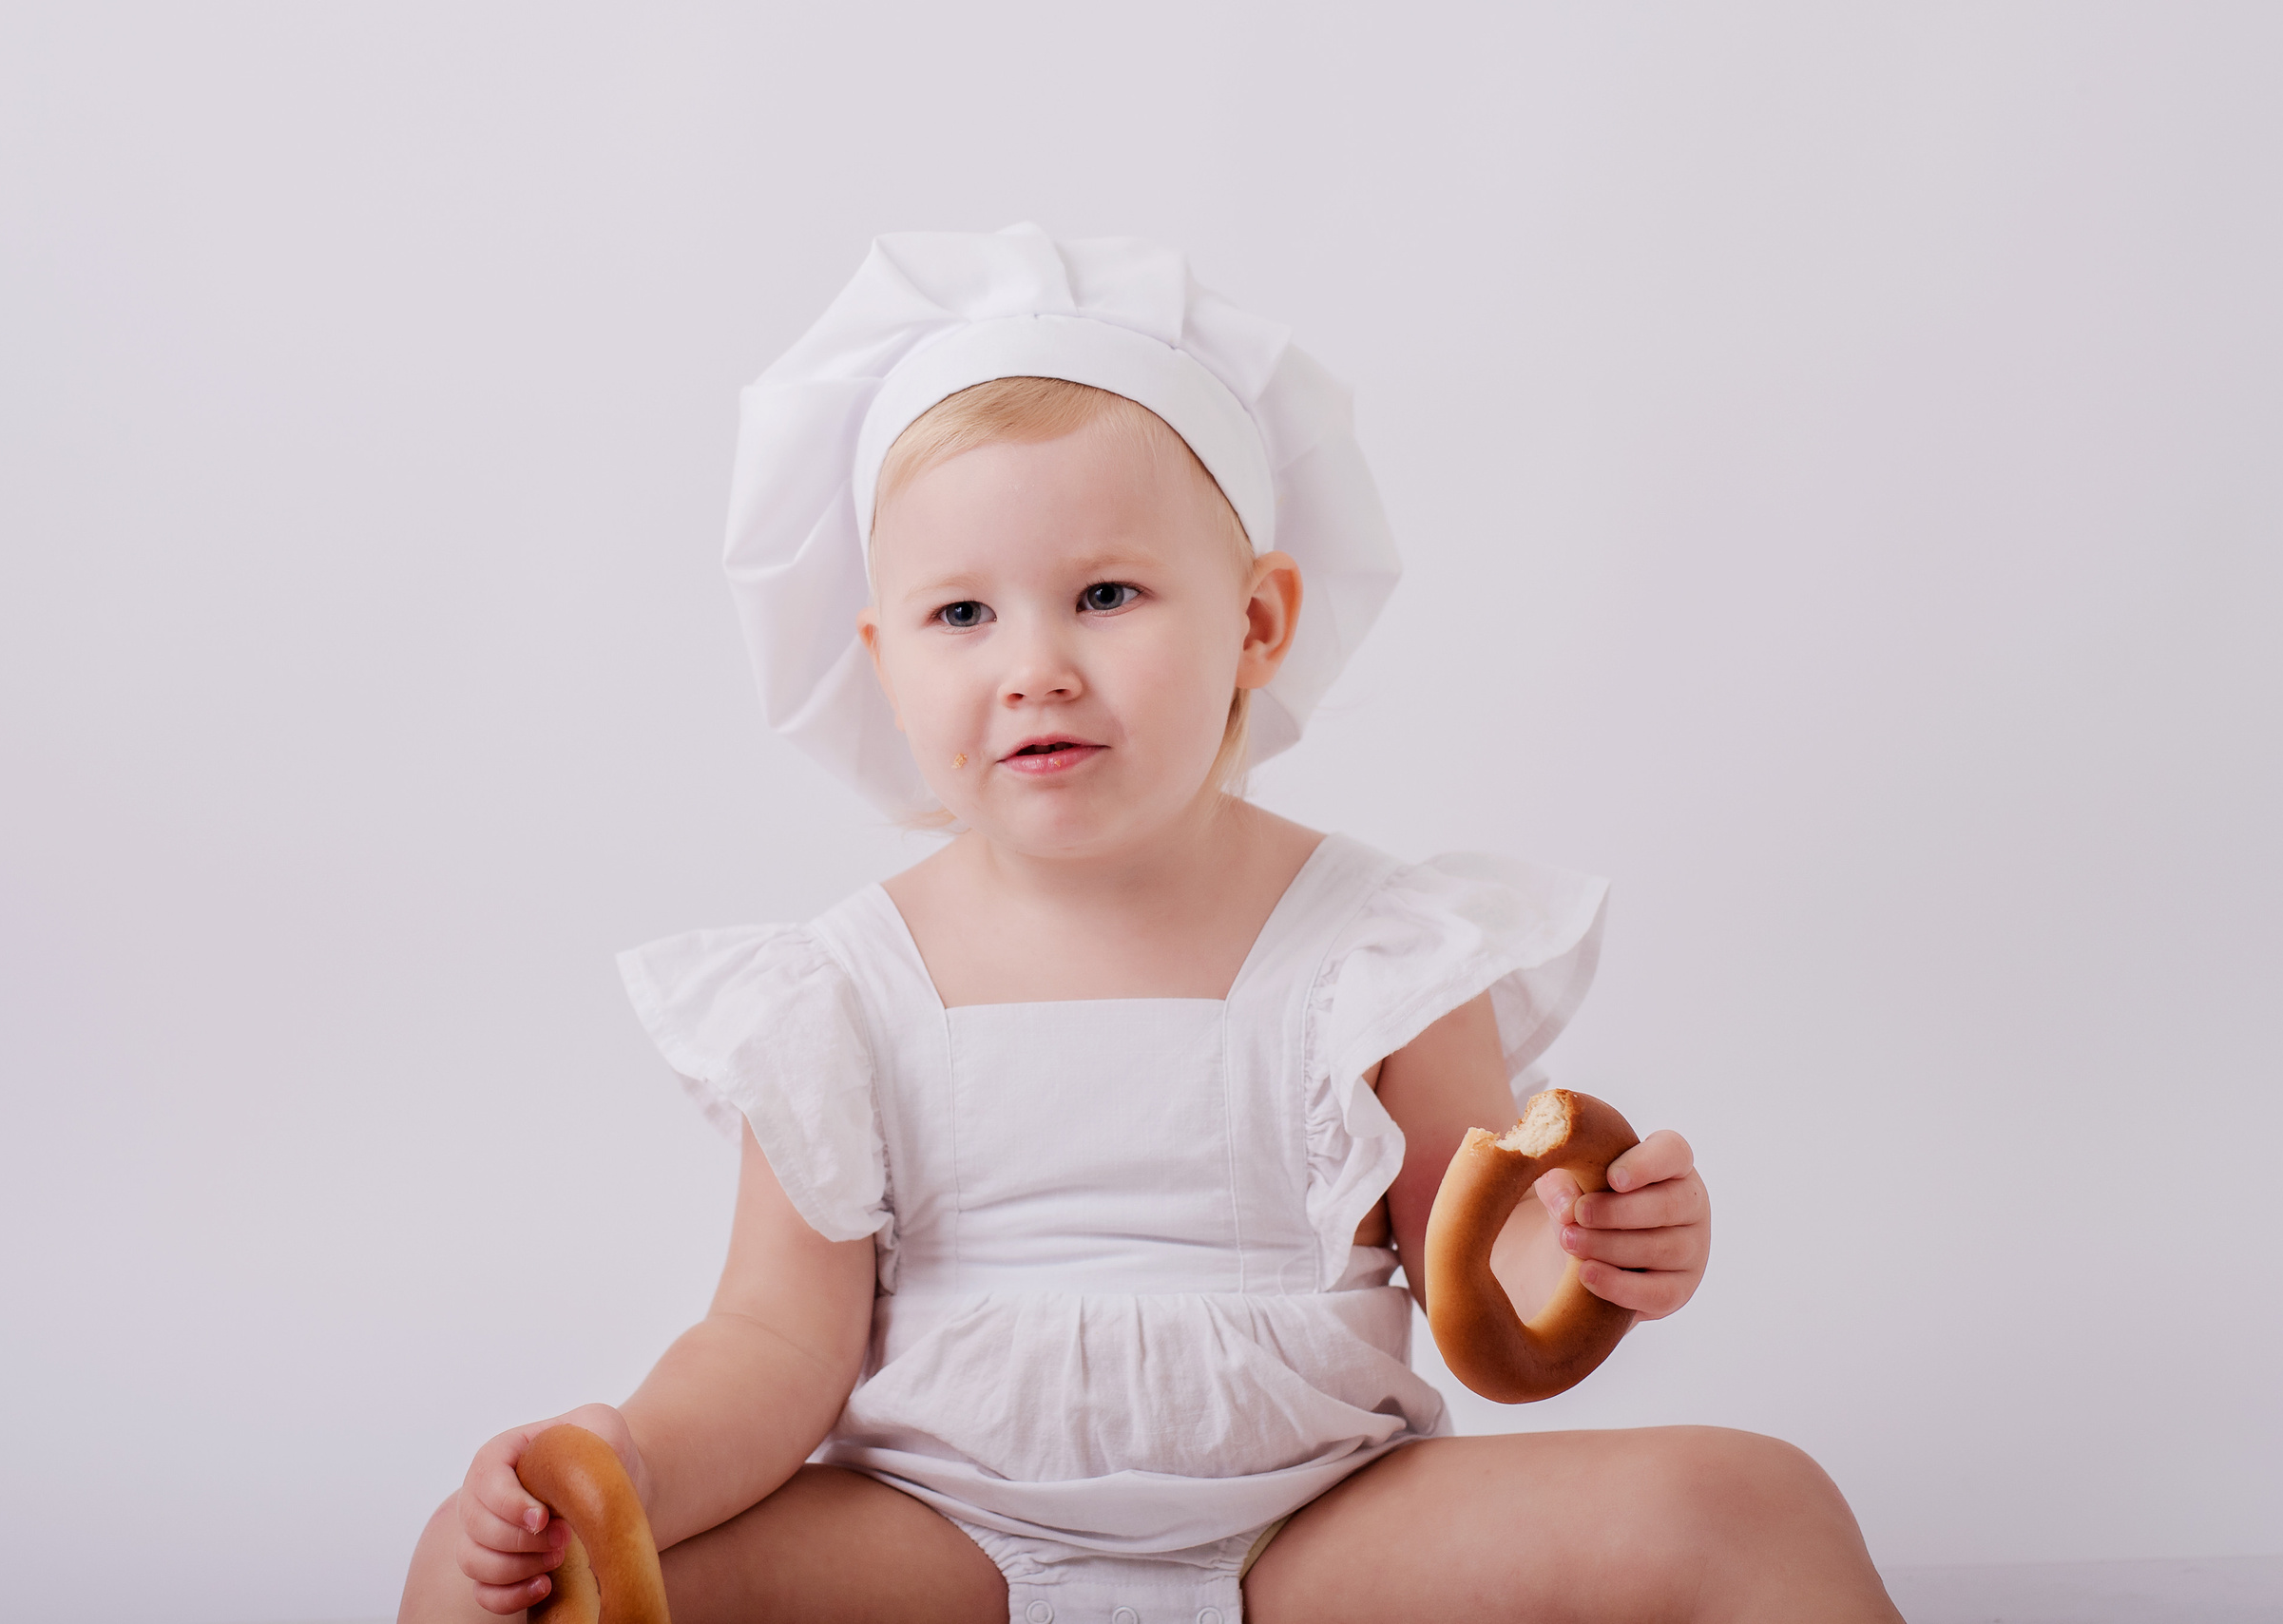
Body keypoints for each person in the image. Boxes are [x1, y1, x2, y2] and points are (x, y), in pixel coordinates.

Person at [398, 226, 1903, 1624]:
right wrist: (635, 1466)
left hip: (1318, 1526)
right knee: (496, 1580)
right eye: (962, 615)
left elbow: (1483, 1268)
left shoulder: (1378, 949)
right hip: (943, 1539)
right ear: (882, 656)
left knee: (1751, 1503)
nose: (1034, 666)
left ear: (1255, 620)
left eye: (1105, 593)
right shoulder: (837, 992)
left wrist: (1593, 1249)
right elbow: (779, 1344)